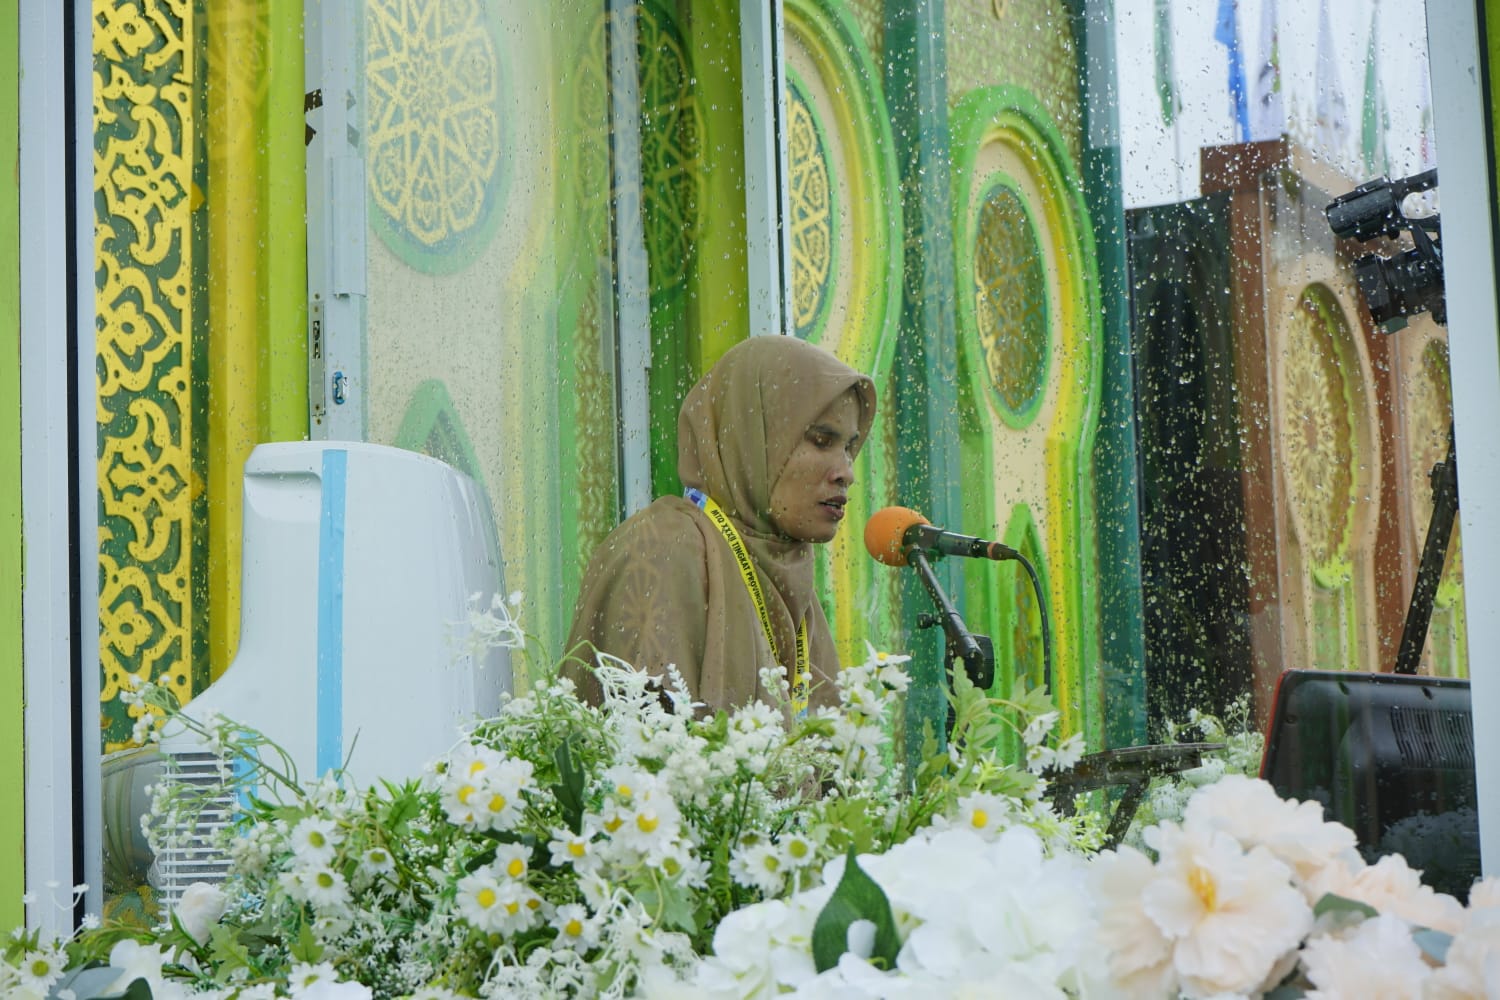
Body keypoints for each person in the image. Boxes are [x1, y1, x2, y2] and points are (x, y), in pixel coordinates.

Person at [564, 335, 876, 716]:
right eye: (822, 440)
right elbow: (647, 743)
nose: (846, 472)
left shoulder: (790, 579)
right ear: (752, 438)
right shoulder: (666, 549)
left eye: (848, 447)